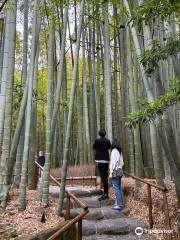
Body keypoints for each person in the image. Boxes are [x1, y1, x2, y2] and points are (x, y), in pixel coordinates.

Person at [93, 129, 111, 201]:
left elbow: (94, 147)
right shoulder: (107, 140)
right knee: (105, 176)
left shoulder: (97, 140)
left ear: (99, 134)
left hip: (100, 160)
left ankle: (105, 194)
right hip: (106, 160)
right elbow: (109, 147)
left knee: (103, 177)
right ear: (105, 134)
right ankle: (106, 193)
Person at [109, 140, 124, 211]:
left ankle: (119, 205)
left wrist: (111, 171)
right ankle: (121, 204)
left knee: (116, 187)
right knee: (119, 187)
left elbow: (113, 162)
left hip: (116, 170)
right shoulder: (119, 151)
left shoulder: (114, 151)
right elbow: (122, 163)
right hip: (120, 170)